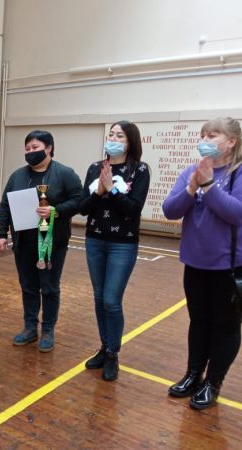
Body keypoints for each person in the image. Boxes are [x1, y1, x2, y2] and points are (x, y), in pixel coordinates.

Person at [162, 117, 242, 410]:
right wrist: (191, 187)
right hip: (195, 262)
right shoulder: (190, 171)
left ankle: (213, 382)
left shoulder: (238, 173)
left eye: (213, 135)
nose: (205, 140)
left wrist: (208, 185)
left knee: (225, 326)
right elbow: (170, 210)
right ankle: (193, 374)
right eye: (203, 135)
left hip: (228, 265)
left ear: (231, 141)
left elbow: (237, 214)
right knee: (198, 322)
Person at [0, 130, 83, 351]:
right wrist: (1, 234)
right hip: (23, 242)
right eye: (27, 149)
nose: (30, 152)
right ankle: (29, 328)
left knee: (50, 287)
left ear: (49, 148)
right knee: (28, 286)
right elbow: (5, 205)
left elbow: (80, 201)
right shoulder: (17, 176)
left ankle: (48, 330)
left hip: (52, 242)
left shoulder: (65, 174)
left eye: (35, 148)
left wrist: (57, 210)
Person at [79, 120, 150, 382]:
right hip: (94, 240)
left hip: (123, 243)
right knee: (99, 298)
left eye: (119, 135)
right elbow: (83, 208)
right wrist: (98, 192)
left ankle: (112, 354)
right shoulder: (95, 168)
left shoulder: (140, 170)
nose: (113, 138)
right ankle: (104, 346)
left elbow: (133, 209)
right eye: (111, 134)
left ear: (130, 142)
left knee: (111, 300)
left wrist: (112, 190)